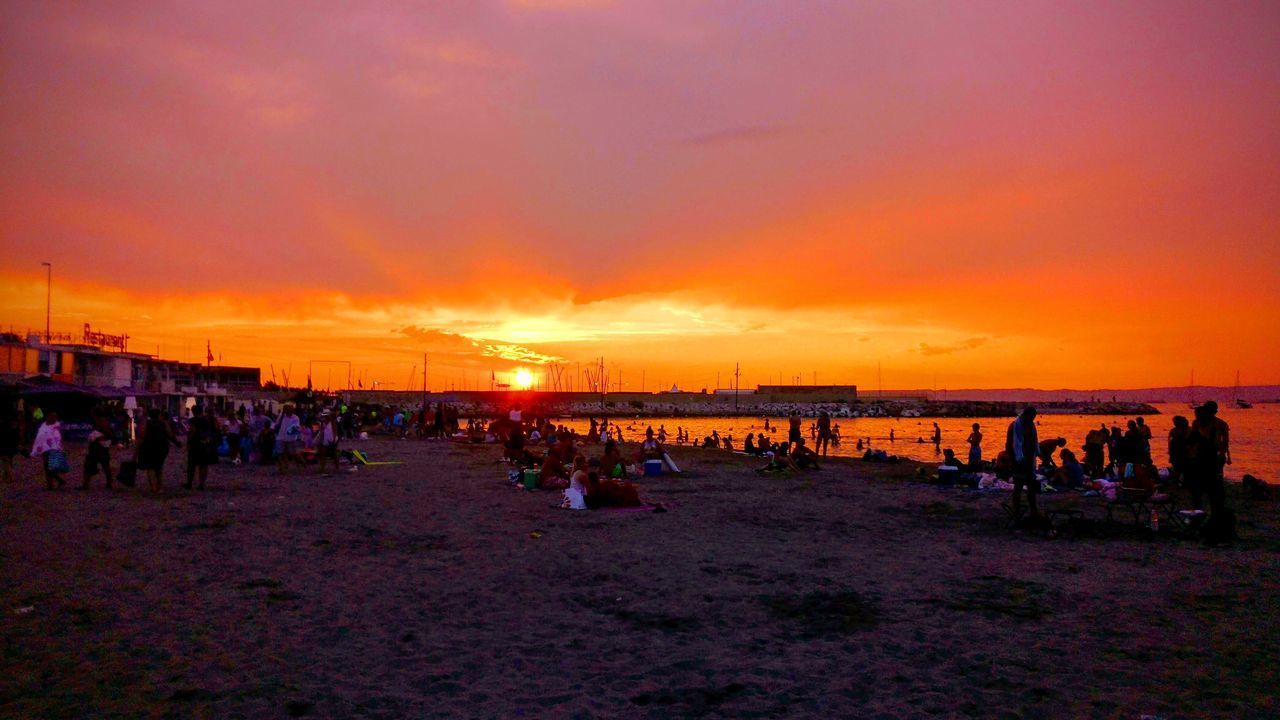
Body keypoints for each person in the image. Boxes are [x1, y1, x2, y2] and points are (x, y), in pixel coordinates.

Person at [1187, 402, 1230, 517]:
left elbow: (1225, 442)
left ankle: (1216, 512)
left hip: (1214, 457)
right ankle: (1199, 510)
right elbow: (1192, 440)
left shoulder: (1220, 424)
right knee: (1198, 487)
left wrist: (1222, 454)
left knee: (1214, 486)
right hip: (1200, 456)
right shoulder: (1197, 423)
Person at [1006, 407, 1040, 521]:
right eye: (1031, 417)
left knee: (1031, 487)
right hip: (1018, 461)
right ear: (1025, 415)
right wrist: (1013, 460)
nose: (1032, 420)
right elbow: (1010, 445)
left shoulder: (1031, 426)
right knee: (1018, 487)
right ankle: (1016, 511)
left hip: (1029, 461)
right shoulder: (1014, 426)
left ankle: (1033, 512)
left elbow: (1033, 442)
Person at [137, 408, 180, 493]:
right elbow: (170, 434)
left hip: (149, 447)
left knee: (150, 467)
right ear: (159, 415)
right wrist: (177, 443)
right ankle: (160, 487)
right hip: (162, 447)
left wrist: (137, 448)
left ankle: (153, 487)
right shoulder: (163, 423)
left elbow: (141, 436)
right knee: (159, 466)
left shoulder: (147, 423)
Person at [185, 405, 219, 490]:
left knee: (192, 465)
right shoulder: (207, 420)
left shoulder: (193, 420)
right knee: (203, 465)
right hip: (205, 444)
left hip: (195, 444)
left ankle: (189, 483)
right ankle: (201, 484)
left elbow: (192, 432)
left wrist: (188, 442)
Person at [31, 411, 65, 489]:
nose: (54, 418)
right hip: (45, 448)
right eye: (52, 417)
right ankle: (53, 483)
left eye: (55, 417)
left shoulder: (55, 425)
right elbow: (40, 435)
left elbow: (56, 436)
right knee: (47, 466)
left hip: (52, 448)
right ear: (48, 417)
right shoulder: (44, 425)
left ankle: (52, 484)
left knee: (50, 466)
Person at [82, 414, 115, 489]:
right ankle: (86, 484)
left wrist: (99, 439)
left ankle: (108, 482)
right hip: (96, 450)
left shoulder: (106, 429)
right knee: (91, 466)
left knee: (104, 467)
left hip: (99, 450)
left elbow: (109, 439)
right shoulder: (101, 428)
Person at [274, 404, 303, 473]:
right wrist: (282, 416)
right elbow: (277, 425)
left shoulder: (295, 417)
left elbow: (296, 427)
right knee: (280, 453)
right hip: (281, 436)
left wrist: (291, 431)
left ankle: (300, 464)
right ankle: (282, 468)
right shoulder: (281, 416)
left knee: (292, 453)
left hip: (290, 438)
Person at [1167, 416, 1191, 486]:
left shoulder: (1188, 430)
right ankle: (1177, 483)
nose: (1174, 423)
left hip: (1185, 452)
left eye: (1175, 422)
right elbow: (1170, 442)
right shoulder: (1173, 431)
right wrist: (1170, 453)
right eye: (1174, 422)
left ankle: (1185, 483)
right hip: (1176, 453)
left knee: (1185, 469)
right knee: (1177, 469)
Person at [316, 411, 340, 476]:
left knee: (334, 454)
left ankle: (337, 467)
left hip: (332, 440)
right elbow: (321, 432)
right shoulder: (322, 423)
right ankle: (322, 468)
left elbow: (335, 431)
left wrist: (334, 440)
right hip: (326, 440)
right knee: (323, 454)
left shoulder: (332, 422)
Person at [1, 412, 21, 483]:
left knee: (6, 461)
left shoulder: (5, 425)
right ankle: (5, 477)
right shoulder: (15, 427)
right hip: (11, 445)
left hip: (5, 446)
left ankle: (10, 477)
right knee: (8, 461)